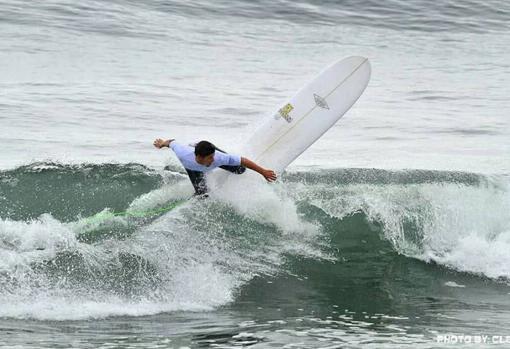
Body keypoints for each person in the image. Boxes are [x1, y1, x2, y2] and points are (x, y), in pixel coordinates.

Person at [153, 138, 277, 195]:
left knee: (240, 170)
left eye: (213, 156)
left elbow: (242, 160)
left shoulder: (218, 158)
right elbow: (171, 142)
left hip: (205, 149)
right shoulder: (183, 154)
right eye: (210, 158)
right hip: (192, 167)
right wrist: (162, 144)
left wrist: (263, 172)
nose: (213, 159)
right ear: (200, 157)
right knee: (202, 193)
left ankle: (211, 146)